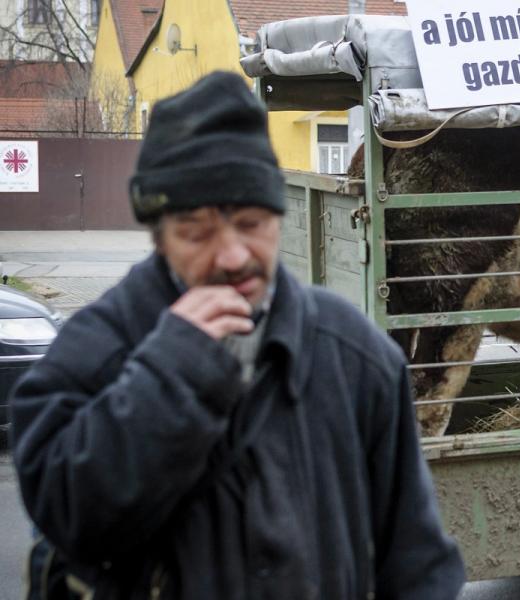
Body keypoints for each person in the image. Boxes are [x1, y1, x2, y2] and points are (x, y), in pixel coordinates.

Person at [10, 71, 465, 599]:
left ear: (277, 216)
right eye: (198, 231)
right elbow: (68, 518)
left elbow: (418, 565)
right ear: (159, 236)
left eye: (250, 223)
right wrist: (169, 374)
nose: (231, 256)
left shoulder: (357, 358)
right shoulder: (92, 349)